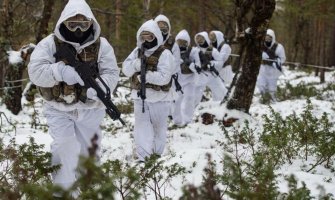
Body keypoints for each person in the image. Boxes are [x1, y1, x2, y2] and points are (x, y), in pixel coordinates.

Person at [28, 0, 119, 197]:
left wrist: (100, 88)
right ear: (63, 23)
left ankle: (87, 188)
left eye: (83, 24)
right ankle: (63, 191)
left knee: (89, 151)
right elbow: (35, 72)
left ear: (91, 23)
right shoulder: (50, 44)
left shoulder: (101, 45)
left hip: (91, 108)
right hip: (58, 108)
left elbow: (111, 72)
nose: (78, 29)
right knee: (64, 146)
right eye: (72, 24)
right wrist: (60, 71)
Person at [122, 19, 175, 162]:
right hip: (141, 98)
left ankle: (156, 156)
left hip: (160, 98)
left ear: (156, 36)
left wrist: (147, 76)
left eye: (150, 37)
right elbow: (125, 69)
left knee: (159, 130)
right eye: (143, 37)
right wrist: (136, 64)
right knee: (141, 129)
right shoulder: (137, 51)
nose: (146, 40)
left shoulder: (165, 54)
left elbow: (165, 77)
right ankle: (143, 157)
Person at [154, 14, 181, 120]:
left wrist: (166, 70)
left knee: (167, 96)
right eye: (159, 29)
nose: (161, 32)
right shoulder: (150, 41)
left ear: (168, 29)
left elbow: (176, 62)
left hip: (168, 76)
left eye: (164, 29)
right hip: (153, 75)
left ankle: (168, 114)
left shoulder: (173, 44)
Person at [172, 29, 201, 126]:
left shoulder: (193, 51)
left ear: (187, 43)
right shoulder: (173, 51)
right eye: (179, 42)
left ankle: (187, 119)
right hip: (178, 80)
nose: (181, 44)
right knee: (176, 100)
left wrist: (190, 64)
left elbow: (198, 67)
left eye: (183, 42)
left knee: (189, 98)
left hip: (190, 80)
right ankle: (177, 120)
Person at [193, 31, 227, 107]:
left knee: (221, 91)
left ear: (206, 39)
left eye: (202, 38)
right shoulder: (195, 50)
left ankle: (221, 107)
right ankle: (191, 110)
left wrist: (212, 63)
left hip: (211, 74)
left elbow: (220, 62)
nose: (200, 40)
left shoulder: (212, 50)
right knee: (195, 94)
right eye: (198, 39)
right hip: (200, 75)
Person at [256, 28, 286, 102]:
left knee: (272, 87)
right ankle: (264, 98)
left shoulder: (279, 47)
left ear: (272, 38)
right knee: (261, 84)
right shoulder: (261, 45)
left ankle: (272, 100)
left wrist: (278, 61)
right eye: (266, 38)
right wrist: (261, 56)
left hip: (273, 70)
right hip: (262, 69)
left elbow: (283, 58)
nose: (267, 40)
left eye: (269, 38)